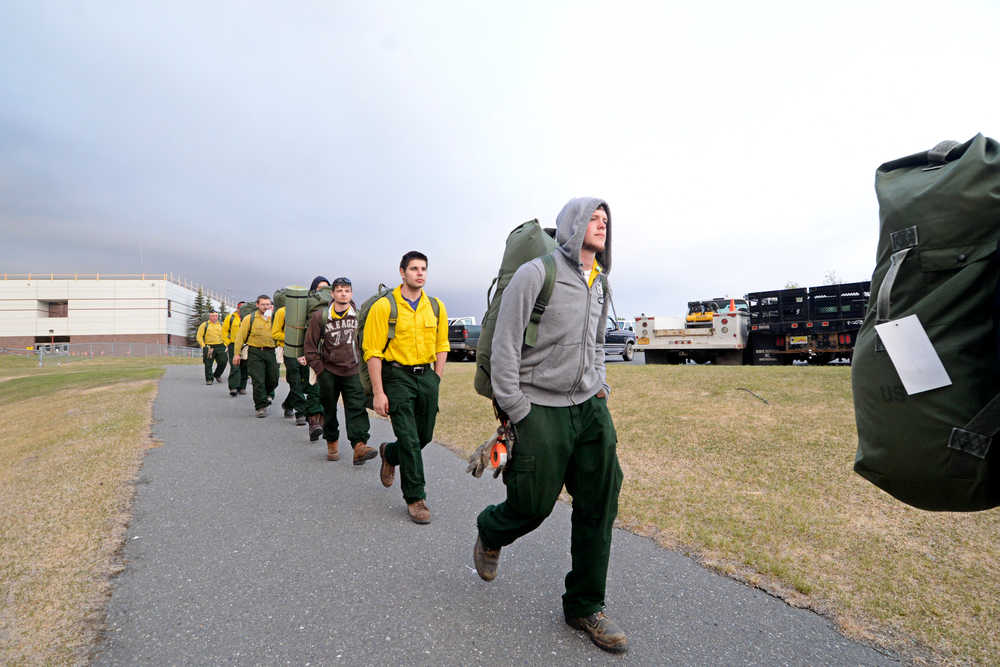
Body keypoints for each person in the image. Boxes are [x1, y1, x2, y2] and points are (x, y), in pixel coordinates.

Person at [473, 198, 627, 654]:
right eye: (593, 218)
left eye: (606, 220)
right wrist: (516, 407)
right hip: (538, 405)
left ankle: (584, 605)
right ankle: (492, 530)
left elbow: (598, 340)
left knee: (601, 500)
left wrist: (599, 383)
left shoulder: (601, 282)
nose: (601, 224)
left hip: (589, 405)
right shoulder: (536, 273)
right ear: (572, 225)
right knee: (533, 505)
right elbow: (504, 346)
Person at [362, 251, 449, 524]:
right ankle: (416, 498)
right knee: (410, 439)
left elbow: (442, 346)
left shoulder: (435, 306)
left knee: (424, 436)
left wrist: (437, 377)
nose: (420, 273)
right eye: (414, 268)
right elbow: (373, 352)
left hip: (426, 377)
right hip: (396, 376)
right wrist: (378, 392)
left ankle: (389, 453)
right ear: (402, 272)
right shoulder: (384, 307)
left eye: (423, 268)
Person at [304, 276, 377, 465]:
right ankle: (332, 443)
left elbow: (367, 343)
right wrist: (320, 369)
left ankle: (359, 446)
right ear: (333, 293)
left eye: (347, 290)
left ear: (351, 293)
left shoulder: (359, 316)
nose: (343, 293)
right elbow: (310, 346)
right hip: (328, 371)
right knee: (329, 409)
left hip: (353, 370)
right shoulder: (320, 316)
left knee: (357, 408)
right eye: (339, 290)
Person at [233, 295, 279, 418]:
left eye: (268, 304)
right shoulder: (250, 318)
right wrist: (236, 354)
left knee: (273, 378)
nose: (265, 307)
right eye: (263, 304)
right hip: (255, 352)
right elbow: (240, 337)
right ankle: (260, 406)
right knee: (258, 380)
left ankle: (268, 393)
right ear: (257, 305)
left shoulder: (274, 318)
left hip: (270, 352)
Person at [272, 295, 307, 426]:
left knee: (304, 381)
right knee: (295, 379)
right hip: (289, 350)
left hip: (304, 350)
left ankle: (288, 404)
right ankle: (301, 413)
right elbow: (275, 333)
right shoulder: (282, 312)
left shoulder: (305, 310)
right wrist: (292, 337)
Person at [222, 301, 249, 397]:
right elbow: (224, 331)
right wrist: (228, 342)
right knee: (235, 365)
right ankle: (233, 387)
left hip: (246, 345)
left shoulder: (249, 318)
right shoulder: (231, 318)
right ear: (237, 308)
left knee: (244, 366)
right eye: (241, 308)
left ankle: (242, 387)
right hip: (233, 344)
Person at [196, 310, 227, 385]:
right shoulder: (205, 325)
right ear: (209, 316)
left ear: (218, 316)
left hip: (221, 346)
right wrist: (204, 346)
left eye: (216, 316)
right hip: (209, 347)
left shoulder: (222, 324)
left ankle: (217, 374)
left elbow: (226, 335)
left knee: (223, 361)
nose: (214, 317)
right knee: (208, 363)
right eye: (212, 316)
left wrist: (226, 344)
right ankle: (209, 379)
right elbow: (199, 336)